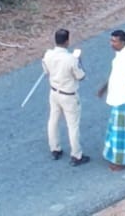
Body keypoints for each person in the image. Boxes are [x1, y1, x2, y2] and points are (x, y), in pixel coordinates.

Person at [96, 29, 125, 172]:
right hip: (120, 98)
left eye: (114, 41)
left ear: (123, 42)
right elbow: (115, 74)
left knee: (123, 132)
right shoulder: (120, 54)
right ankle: (115, 156)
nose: (111, 44)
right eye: (111, 40)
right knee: (117, 130)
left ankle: (122, 162)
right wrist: (104, 88)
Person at [43, 28, 89, 165]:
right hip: (68, 95)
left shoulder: (48, 55)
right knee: (73, 125)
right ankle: (76, 155)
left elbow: (46, 71)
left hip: (54, 92)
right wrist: (79, 60)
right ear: (67, 41)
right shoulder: (71, 59)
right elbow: (81, 76)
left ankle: (55, 148)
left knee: (53, 120)